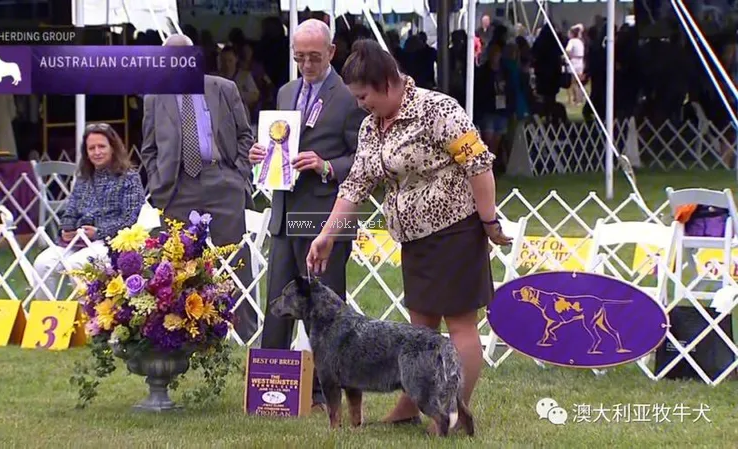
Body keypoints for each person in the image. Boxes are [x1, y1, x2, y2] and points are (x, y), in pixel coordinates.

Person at [305, 39, 512, 432]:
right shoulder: (371, 126)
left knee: (460, 327)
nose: (361, 104)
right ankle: (408, 405)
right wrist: (327, 235)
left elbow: (479, 165)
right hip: (414, 238)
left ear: (386, 82)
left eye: (364, 95)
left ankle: (451, 412)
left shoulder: (438, 109)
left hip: (456, 231)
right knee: (419, 333)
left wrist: (489, 222)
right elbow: (355, 184)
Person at [251, 19, 366, 410]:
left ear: (332, 52)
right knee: (278, 302)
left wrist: (325, 165)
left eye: (314, 57)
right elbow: (279, 147)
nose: (306, 65)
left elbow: (365, 161)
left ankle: (325, 390)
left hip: (330, 215)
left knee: (327, 309)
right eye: (299, 57)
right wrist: (262, 155)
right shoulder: (284, 92)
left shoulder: (351, 97)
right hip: (286, 212)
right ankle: (272, 385)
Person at [140, 33, 258, 344]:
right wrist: (158, 182)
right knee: (179, 264)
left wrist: (238, 175)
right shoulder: (154, 97)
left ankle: (244, 331)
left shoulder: (223, 88)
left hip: (222, 181)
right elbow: (148, 149)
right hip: (177, 187)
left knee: (235, 261)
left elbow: (246, 136)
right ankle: (185, 334)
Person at [32, 124, 143, 300]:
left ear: (113, 148)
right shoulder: (83, 178)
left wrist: (98, 232)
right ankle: (49, 316)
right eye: (92, 148)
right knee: (42, 263)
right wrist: (67, 228)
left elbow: (130, 219)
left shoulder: (129, 177)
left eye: (101, 146)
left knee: (77, 264)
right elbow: (70, 211)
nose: (97, 152)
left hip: (111, 243)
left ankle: (87, 321)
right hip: (77, 240)